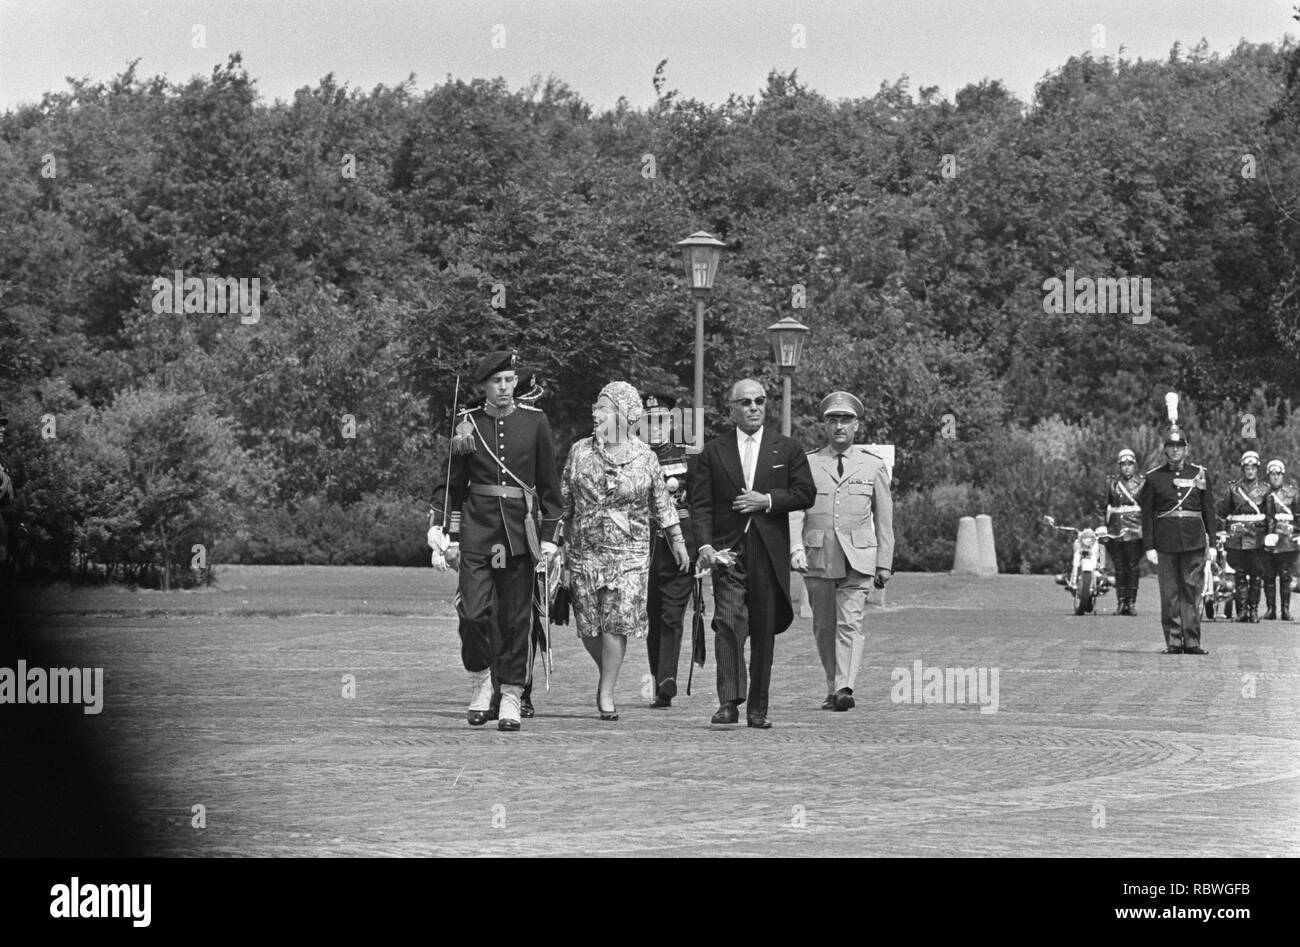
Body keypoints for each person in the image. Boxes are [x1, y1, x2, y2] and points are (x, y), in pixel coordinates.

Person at [432, 351, 562, 732]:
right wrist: (444, 532)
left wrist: (551, 537)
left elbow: (549, 486)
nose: (504, 388)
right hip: (477, 531)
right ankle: (481, 681)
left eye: (509, 380)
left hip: (520, 533)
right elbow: (451, 485)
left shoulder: (535, 422)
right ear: (483, 386)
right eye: (496, 382)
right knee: (472, 613)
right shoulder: (466, 424)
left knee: (515, 618)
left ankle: (510, 693)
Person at [691, 378, 816, 729]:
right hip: (728, 551)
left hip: (767, 550)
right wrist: (705, 547)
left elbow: (806, 492)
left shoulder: (786, 449)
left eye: (760, 401)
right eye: (745, 402)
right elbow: (700, 505)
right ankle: (729, 701)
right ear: (732, 408)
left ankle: (758, 707)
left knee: (762, 629)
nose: (754, 408)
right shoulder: (713, 452)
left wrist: (768, 501)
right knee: (728, 623)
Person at [560, 382, 689, 720]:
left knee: (616, 623)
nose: (595, 412)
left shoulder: (645, 457)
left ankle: (606, 693)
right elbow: (564, 503)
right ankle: (608, 672)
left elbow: (661, 504)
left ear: (624, 414)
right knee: (589, 625)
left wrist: (676, 540)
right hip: (584, 551)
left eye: (603, 407)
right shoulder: (580, 452)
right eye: (595, 406)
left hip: (630, 553)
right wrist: (554, 543)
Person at [789, 392, 894, 711]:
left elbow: (885, 517)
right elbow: (795, 511)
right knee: (824, 626)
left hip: (859, 557)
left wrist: (884, 563)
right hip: (818, 556)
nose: (839, 426)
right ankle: (832, 683)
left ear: (856, 426)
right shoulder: (807, 463)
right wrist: (795, 545)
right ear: (825, 425)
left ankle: (845, 688)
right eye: (833, 420)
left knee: (851, 622)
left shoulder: (872, 465)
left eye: (845, 420)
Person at [639, 392, 698, 708]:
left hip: (680, 547)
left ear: (671, 421)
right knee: (651, 616)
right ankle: (657, 675)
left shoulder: (689, 456)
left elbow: (699, 504)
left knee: (672, 614)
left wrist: (702, 545)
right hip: (644, 545)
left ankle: (667, 679)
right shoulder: (632, 457)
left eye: (660, 420)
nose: (655, 428)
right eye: (649, 422)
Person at [1137, 425, 1215, 654]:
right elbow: (1147, 515)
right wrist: (1149, 546)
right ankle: (1173, 641)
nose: (1175, 451)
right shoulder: (1154, 478)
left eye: (1179, 446)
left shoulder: (1199, 474)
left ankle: (1192, 641)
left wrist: (1214, 544)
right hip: (1166, 541)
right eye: (1171, 446)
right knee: (1169, 592)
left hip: (1194, 540)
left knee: (1192, 591)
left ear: (1186, 448)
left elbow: (1208, 510)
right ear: (1165, 450)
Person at [1217, 450, 1269, 623]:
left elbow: (1271, 516)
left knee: (1256, 575)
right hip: (1237, 537)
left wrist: (1271, 535)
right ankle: (1242, 611)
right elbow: (1223, 513)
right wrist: (1222, 532)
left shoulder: (1265, 490)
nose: (1250, 470)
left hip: (1257, 537)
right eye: (1247, 467)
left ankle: (1253, 610)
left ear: (1258, 469)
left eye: (1253, 467)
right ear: (1243, 469)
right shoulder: (1233, 488)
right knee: (1239, 574)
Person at [1105, 448, 1145, 616]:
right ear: (1119, 466)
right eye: (1123, 464)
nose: (1127, 467)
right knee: (1119, 567)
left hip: (1135, 528)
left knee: (1133, 566)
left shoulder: (1142, 482)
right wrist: (1102, 527)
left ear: (1134, 465)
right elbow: (1103, 505)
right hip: (1115, 528)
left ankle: (1132, 602)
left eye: (1130, 464)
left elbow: (1148, 506)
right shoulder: (1112, 483)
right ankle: (1121, 602)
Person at [1262, 459, 1298, 621]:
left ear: (1282, 475)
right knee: (1268, 576)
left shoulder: (1293, 493)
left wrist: (1297, 533)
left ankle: (1285, 610)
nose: (1275, 477)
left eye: (1278, 474)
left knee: (1285, 576)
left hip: (1285, 541)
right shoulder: (1262, 494)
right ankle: (1271, 609)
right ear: (1268, 475)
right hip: (1267, 539)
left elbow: (1298, 517)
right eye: (1272, 474)